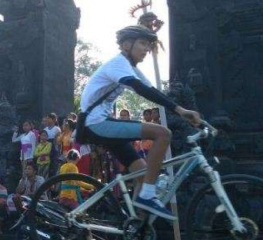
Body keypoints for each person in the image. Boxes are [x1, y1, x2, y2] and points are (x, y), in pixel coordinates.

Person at [78, 25, 201, 220]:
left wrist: (181, 110)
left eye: (149, 44)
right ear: (127, 44)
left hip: (103, 122)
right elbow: (140, 89)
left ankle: (136, 223)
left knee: (143, 174)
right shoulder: (118, 64)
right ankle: (148, 195)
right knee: (163, 134)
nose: (146, 49)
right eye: (143, 43)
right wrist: (180, 110)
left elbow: (153, 91)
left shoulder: (130, 67)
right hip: (96, 123)